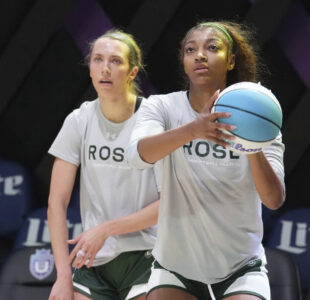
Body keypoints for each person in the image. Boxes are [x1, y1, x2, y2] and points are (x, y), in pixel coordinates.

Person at [127, 21, 285, 300]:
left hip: (240, 265)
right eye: (191, 49)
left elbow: (273, 199)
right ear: (184, 61)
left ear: (231, 60)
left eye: (212, 48)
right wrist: (192, 130)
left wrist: (252, 145)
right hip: (176, 266)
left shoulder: (262, 118)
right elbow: (138, 156)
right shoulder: (162, 107)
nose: (200, 55)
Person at [47, 29, 160, 300]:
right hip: (94, 258)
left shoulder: (154, 120)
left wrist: (107, 229)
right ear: (90, 68)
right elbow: (56, 203)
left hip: (148, 254)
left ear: (133, 72)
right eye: (97, 59)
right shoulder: (79, 120)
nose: (105, 69)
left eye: (115, 61)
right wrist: (63, 277)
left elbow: (170, 203)